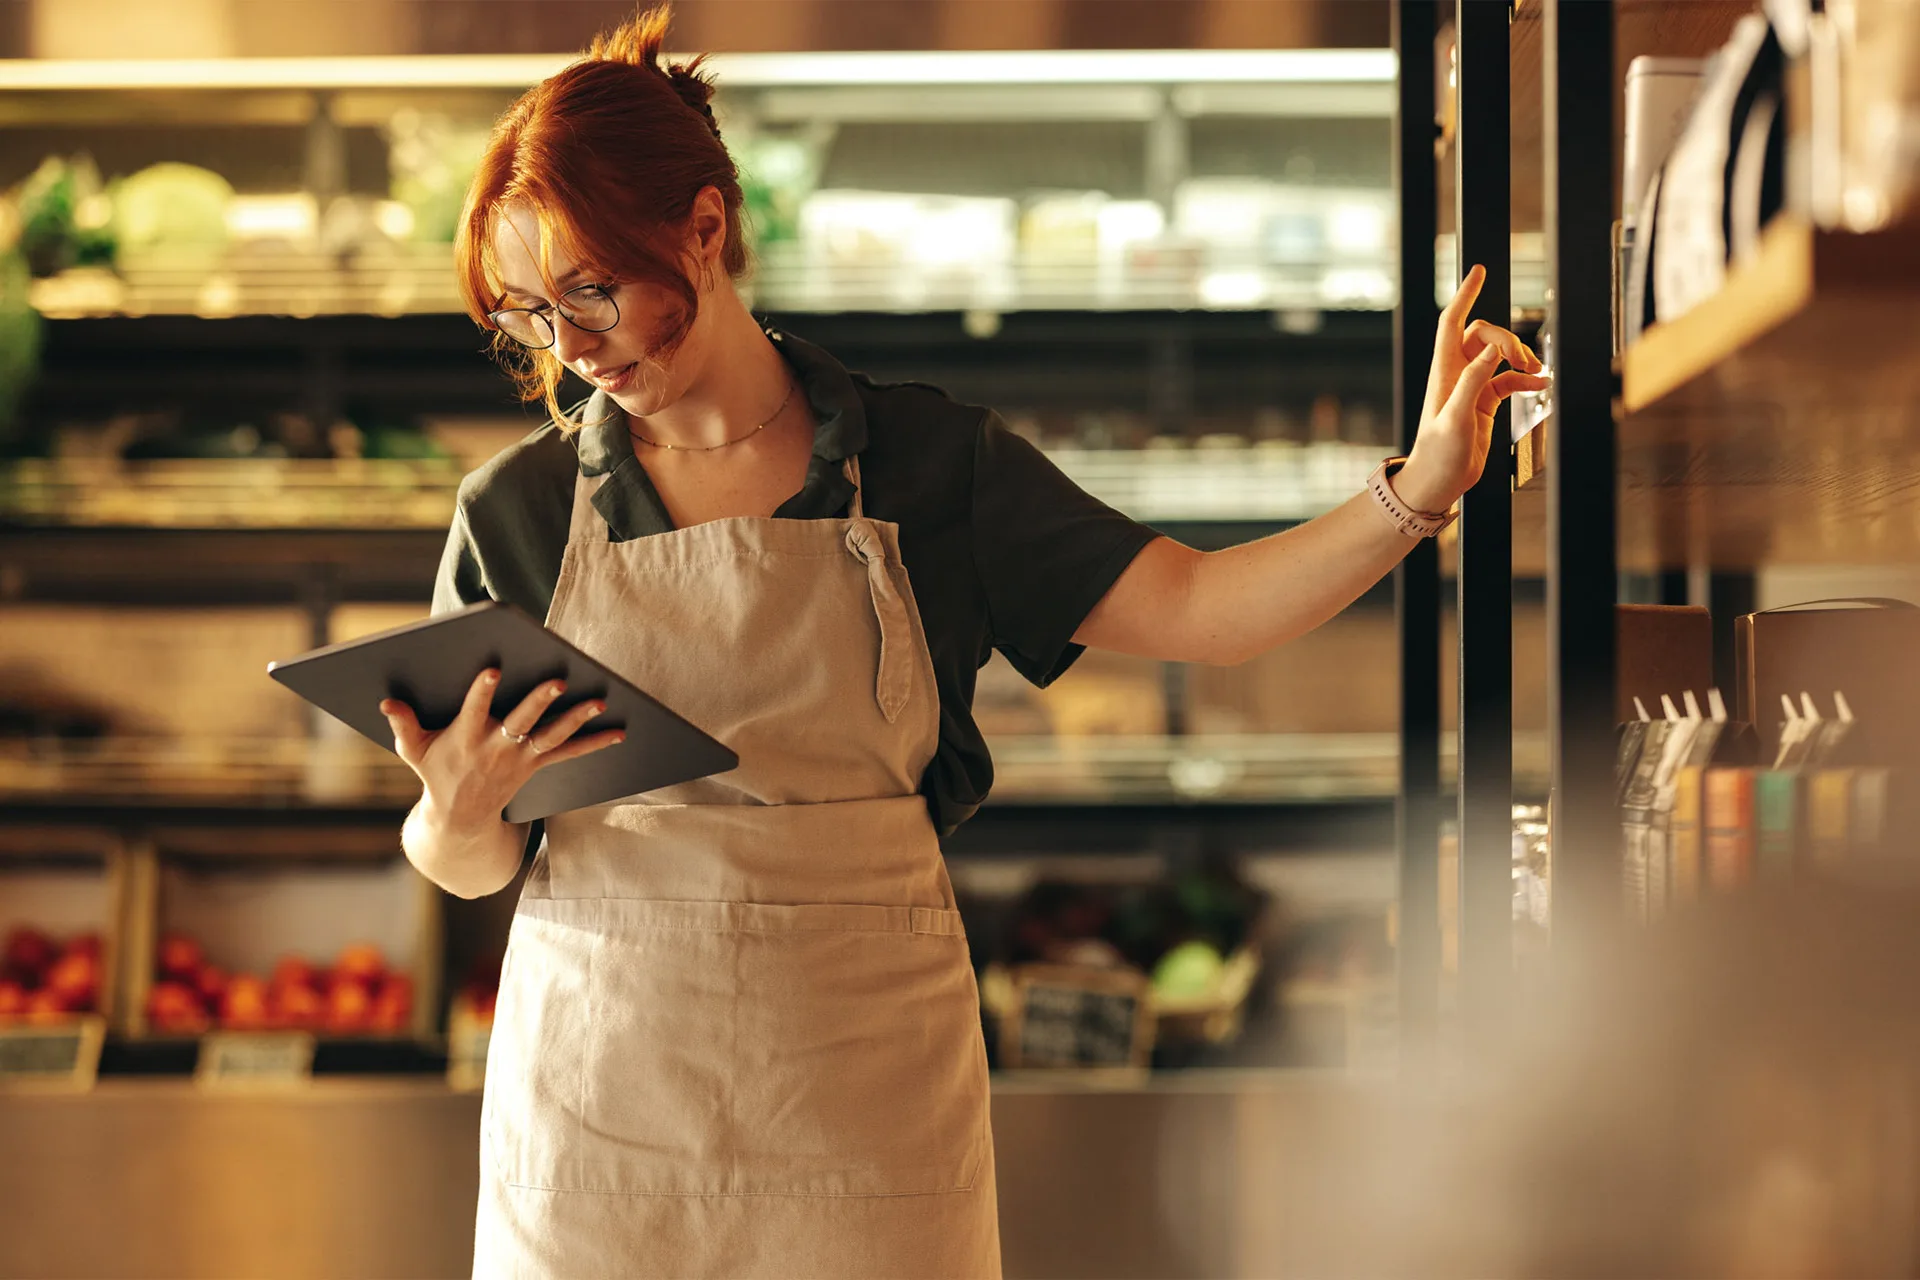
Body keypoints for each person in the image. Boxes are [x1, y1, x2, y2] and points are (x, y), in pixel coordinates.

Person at [379, 7, 1550, 1278]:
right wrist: (456, 809)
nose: (567, 349)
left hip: (861, 1101)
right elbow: (462, 860)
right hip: (604, 1114)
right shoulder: (516, 507)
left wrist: (1422, 487)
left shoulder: (938, 468)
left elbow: (1205, 611)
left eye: (590, 292)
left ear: (703, 231)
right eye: (526, 317)